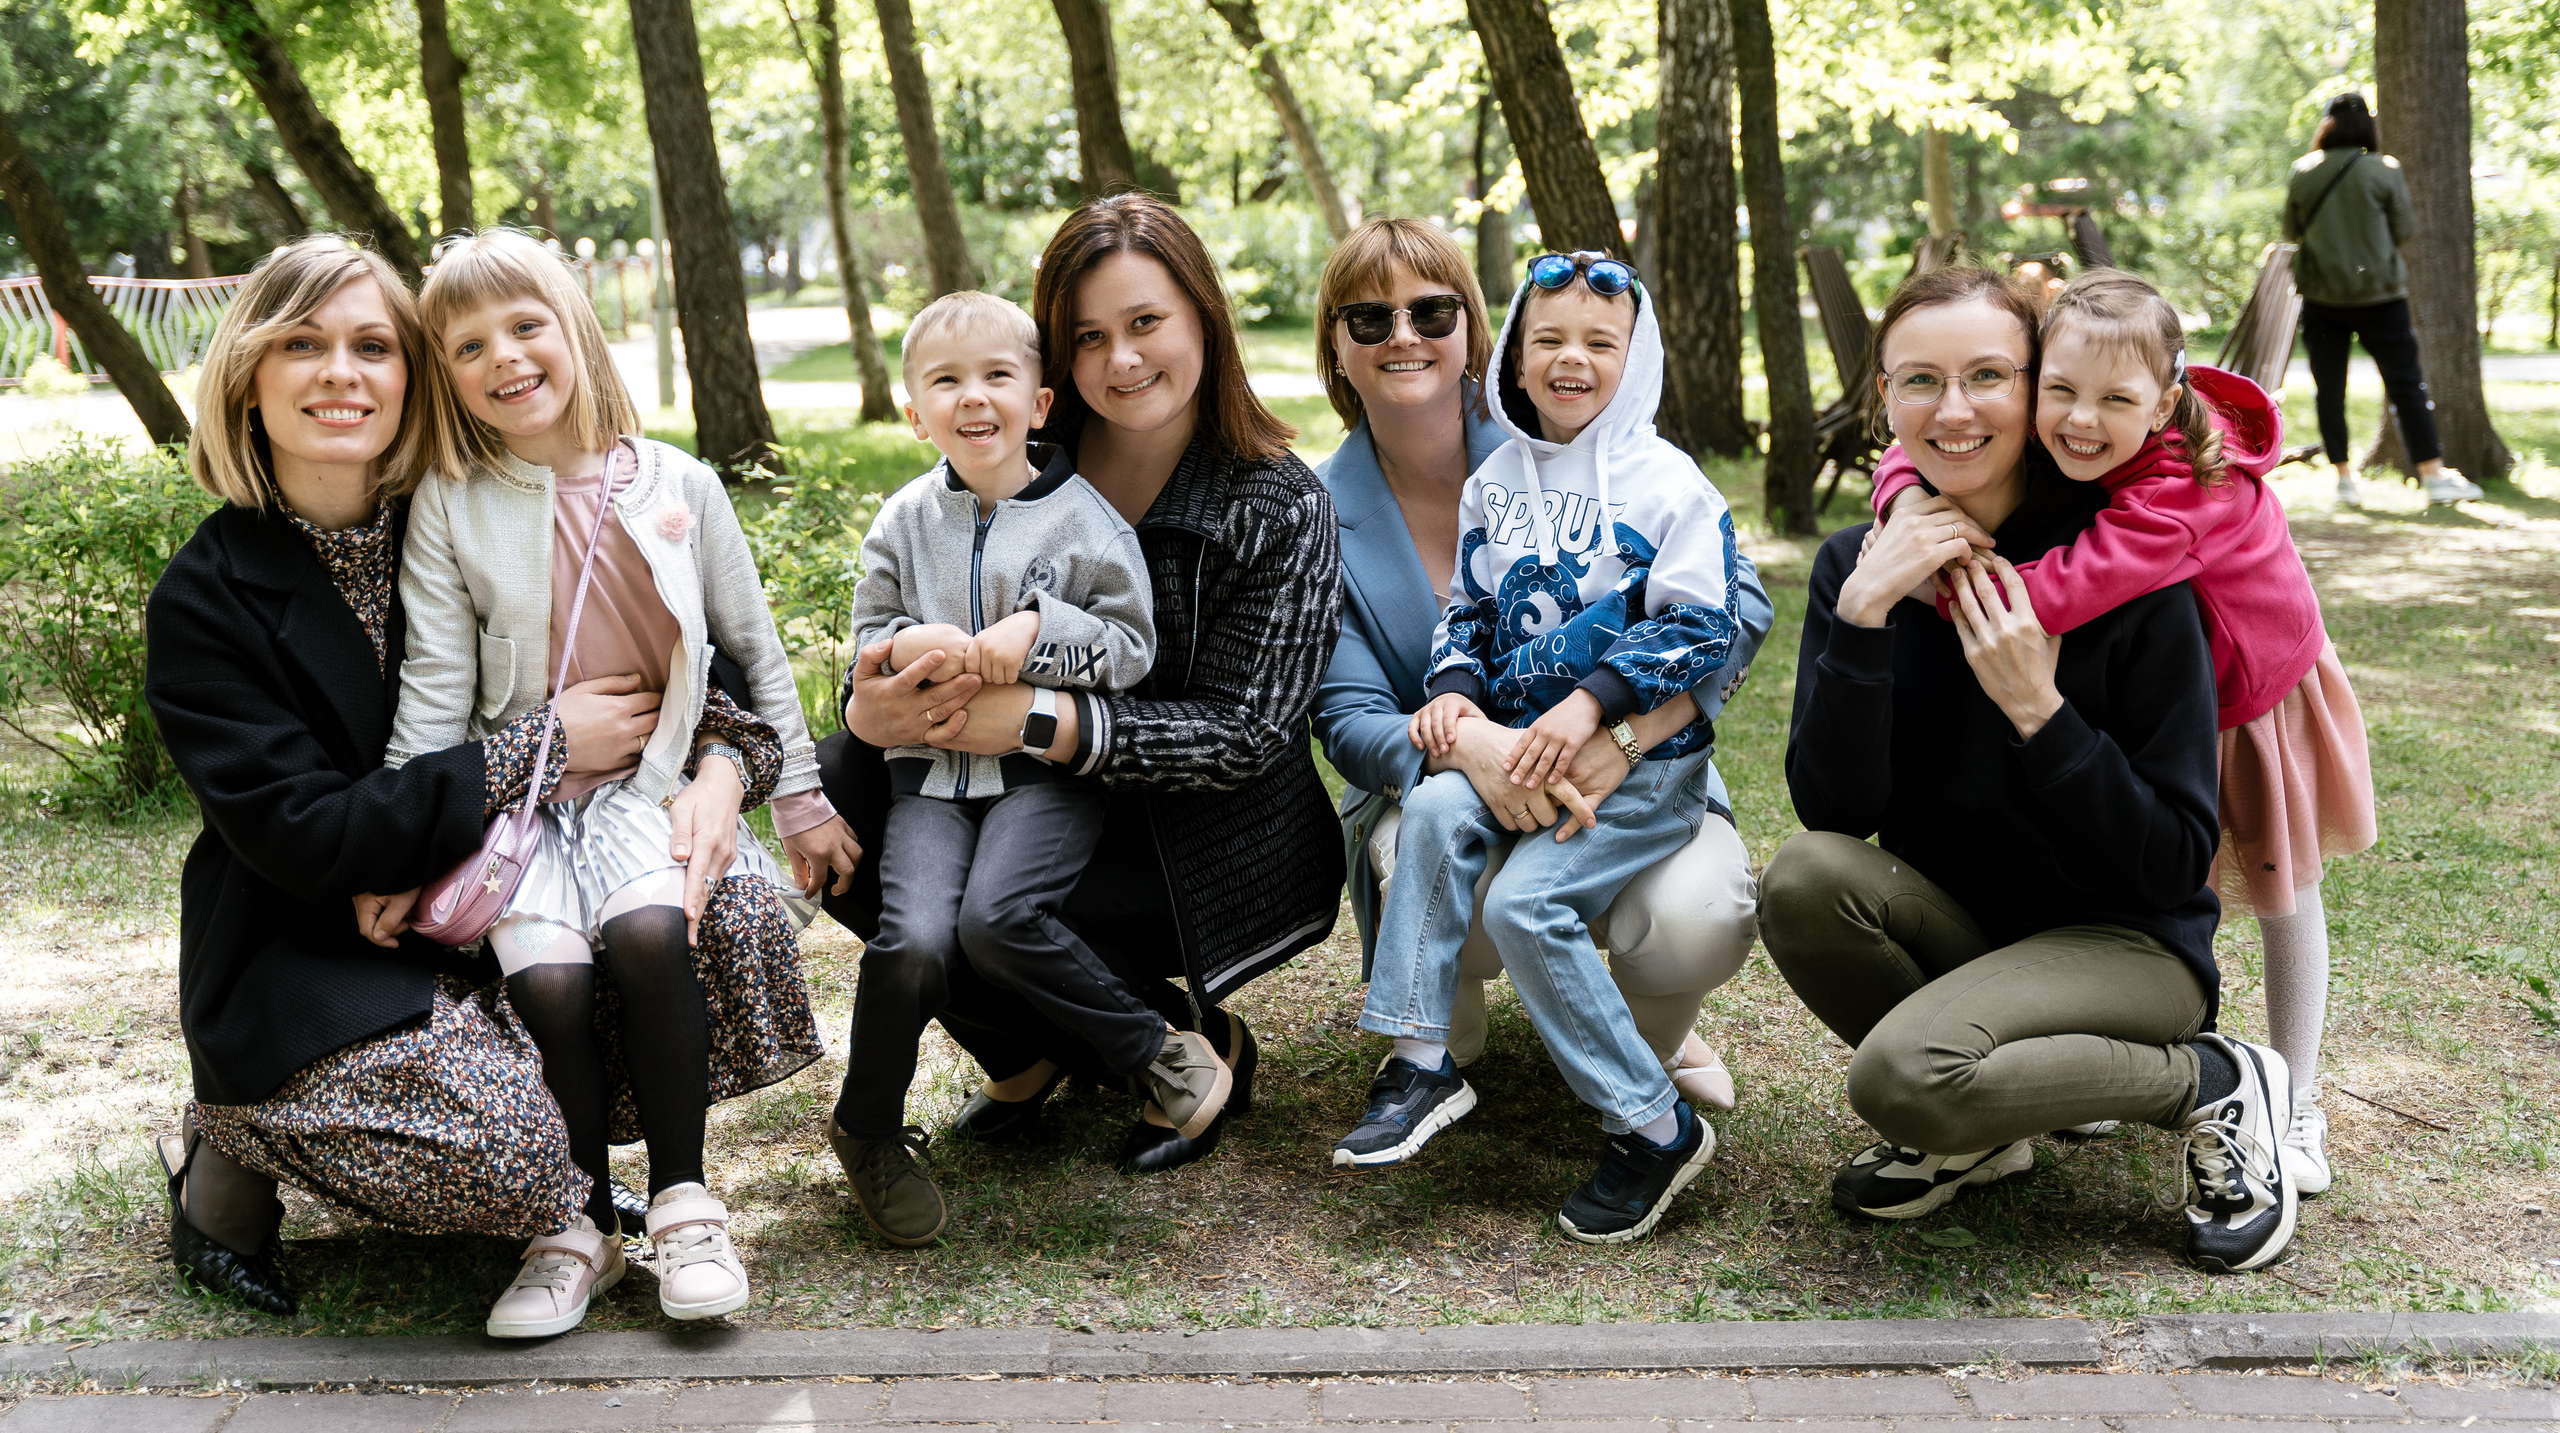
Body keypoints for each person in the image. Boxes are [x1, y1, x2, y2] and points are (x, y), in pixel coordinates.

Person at [144, 235, 663, 1319]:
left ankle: (559, 1165)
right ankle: (231, 1148)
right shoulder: (206, 596)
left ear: (412, 376)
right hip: (302, 938)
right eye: (303, 344)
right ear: (247, 378)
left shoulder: (477, 514)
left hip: (483, 895)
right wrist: (537, 745)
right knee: (516, 1153)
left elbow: (671, 654)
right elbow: (305, 834)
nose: (341, 372)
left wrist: (729, 768)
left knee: (708, 924)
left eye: (373, 346)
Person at [1761, 262, 2303, 1277]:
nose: (1953, 410)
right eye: (1920, 381)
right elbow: (1836, 810)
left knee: (1903, 1080)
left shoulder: (2130, 571)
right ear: (1884, 398)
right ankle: (1982, 1133)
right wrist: (1863, 618)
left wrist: (2037, 711)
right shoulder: (1858, 565)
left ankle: (2214, 1079)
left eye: (1987, 377)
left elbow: (2171, 860)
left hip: (2127, 943)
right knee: (1800, 878)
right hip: (1972, 933)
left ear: (2034, 385)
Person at [375, 229, 860, 1337]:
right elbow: (437, 689)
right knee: (546, 980)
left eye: (526, 326)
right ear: (446, 375)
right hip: (521, 804)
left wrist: (801, 798)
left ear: (576, 327)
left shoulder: (678, 483)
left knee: (649, 931)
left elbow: (754, 649)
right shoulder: (452, 501)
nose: (505, 357)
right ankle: (578, 1224)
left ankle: (685, 1205)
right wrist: (399, 842)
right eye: (468, 346)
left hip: (648, 784)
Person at [817, 193, 1343, 1177]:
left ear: (1203, 319)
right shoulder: (1017, 456)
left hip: (1193, 833)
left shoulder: (1277, 502)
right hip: (1027, 788)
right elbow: (905, 605)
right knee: (845, 784)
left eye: (1146, 322)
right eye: (1090, 336)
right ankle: (1024, 1047)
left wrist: (1039, 720)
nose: (1122, 358)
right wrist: (872, 699)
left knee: (999, 902)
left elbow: (1245, 736)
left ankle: (1187, 1038)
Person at [1869, 268, 2376, 1195]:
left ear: (2164, 403)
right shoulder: (2081, 438)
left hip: (2252, 697)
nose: (2080, 420)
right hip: (2171, 690)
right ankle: (2096, 1048)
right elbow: (1912, 453)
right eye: (2060, 391)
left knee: (2277, 884)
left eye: (2114, 400)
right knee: (2147, 852)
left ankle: (2292, 1093)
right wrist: (1907, 498)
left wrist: (1938, 581)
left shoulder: (2188, 492)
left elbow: (2064, 590)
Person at [1310, 220, 1771, 1147]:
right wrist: (1467, 737)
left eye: (1431, 311)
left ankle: (1648, 1046)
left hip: (1623, 758)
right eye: (1369, 318)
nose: (1402, 335)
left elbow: (1735, 607)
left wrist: (1621, 731)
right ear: (1336, 345)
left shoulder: (1600, 441)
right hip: (1461, 770)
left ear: (1478, 334)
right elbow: (1352, 711)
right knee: (1434, 829)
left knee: (1682, 912)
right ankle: (1424, 1054)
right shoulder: (1324, 510)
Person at [831, 290, 1179, 1249]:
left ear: (1040, 401)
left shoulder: (1087, 523)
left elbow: (1130, 645)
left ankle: (1157, 1047)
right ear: (916, 413)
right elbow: (867, 637)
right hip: (928, 780)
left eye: (996, 375)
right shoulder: (903, 520)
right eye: (946, 381)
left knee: (998, 917)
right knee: (912, 942)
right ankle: (866, 1126)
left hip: (1042, 778)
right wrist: (908, 646)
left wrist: (1036, 631)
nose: (974, 397)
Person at [2284, 91, 2482, 508]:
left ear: (2327, 125)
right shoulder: (2384, 168)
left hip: (2322, 297)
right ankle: (2432, 474)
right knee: (2406, 384)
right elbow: (2404, 228)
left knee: (2329, 388)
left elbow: (2291, 230)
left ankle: (2344, 479)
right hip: (2380, 296)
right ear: (2367, 126)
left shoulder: (2303, 170)